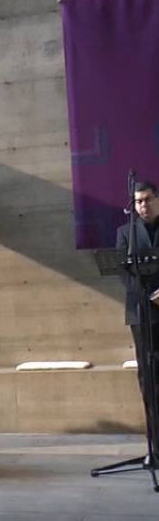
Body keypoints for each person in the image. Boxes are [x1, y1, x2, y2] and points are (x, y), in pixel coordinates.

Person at [116, 181, 159, 454]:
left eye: (148, 199)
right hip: (142, 312)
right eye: (138, 201)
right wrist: (151, 294)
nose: (143, 205)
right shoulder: (125, 232)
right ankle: (156, 446)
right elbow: (123, 274)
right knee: (149, 376)